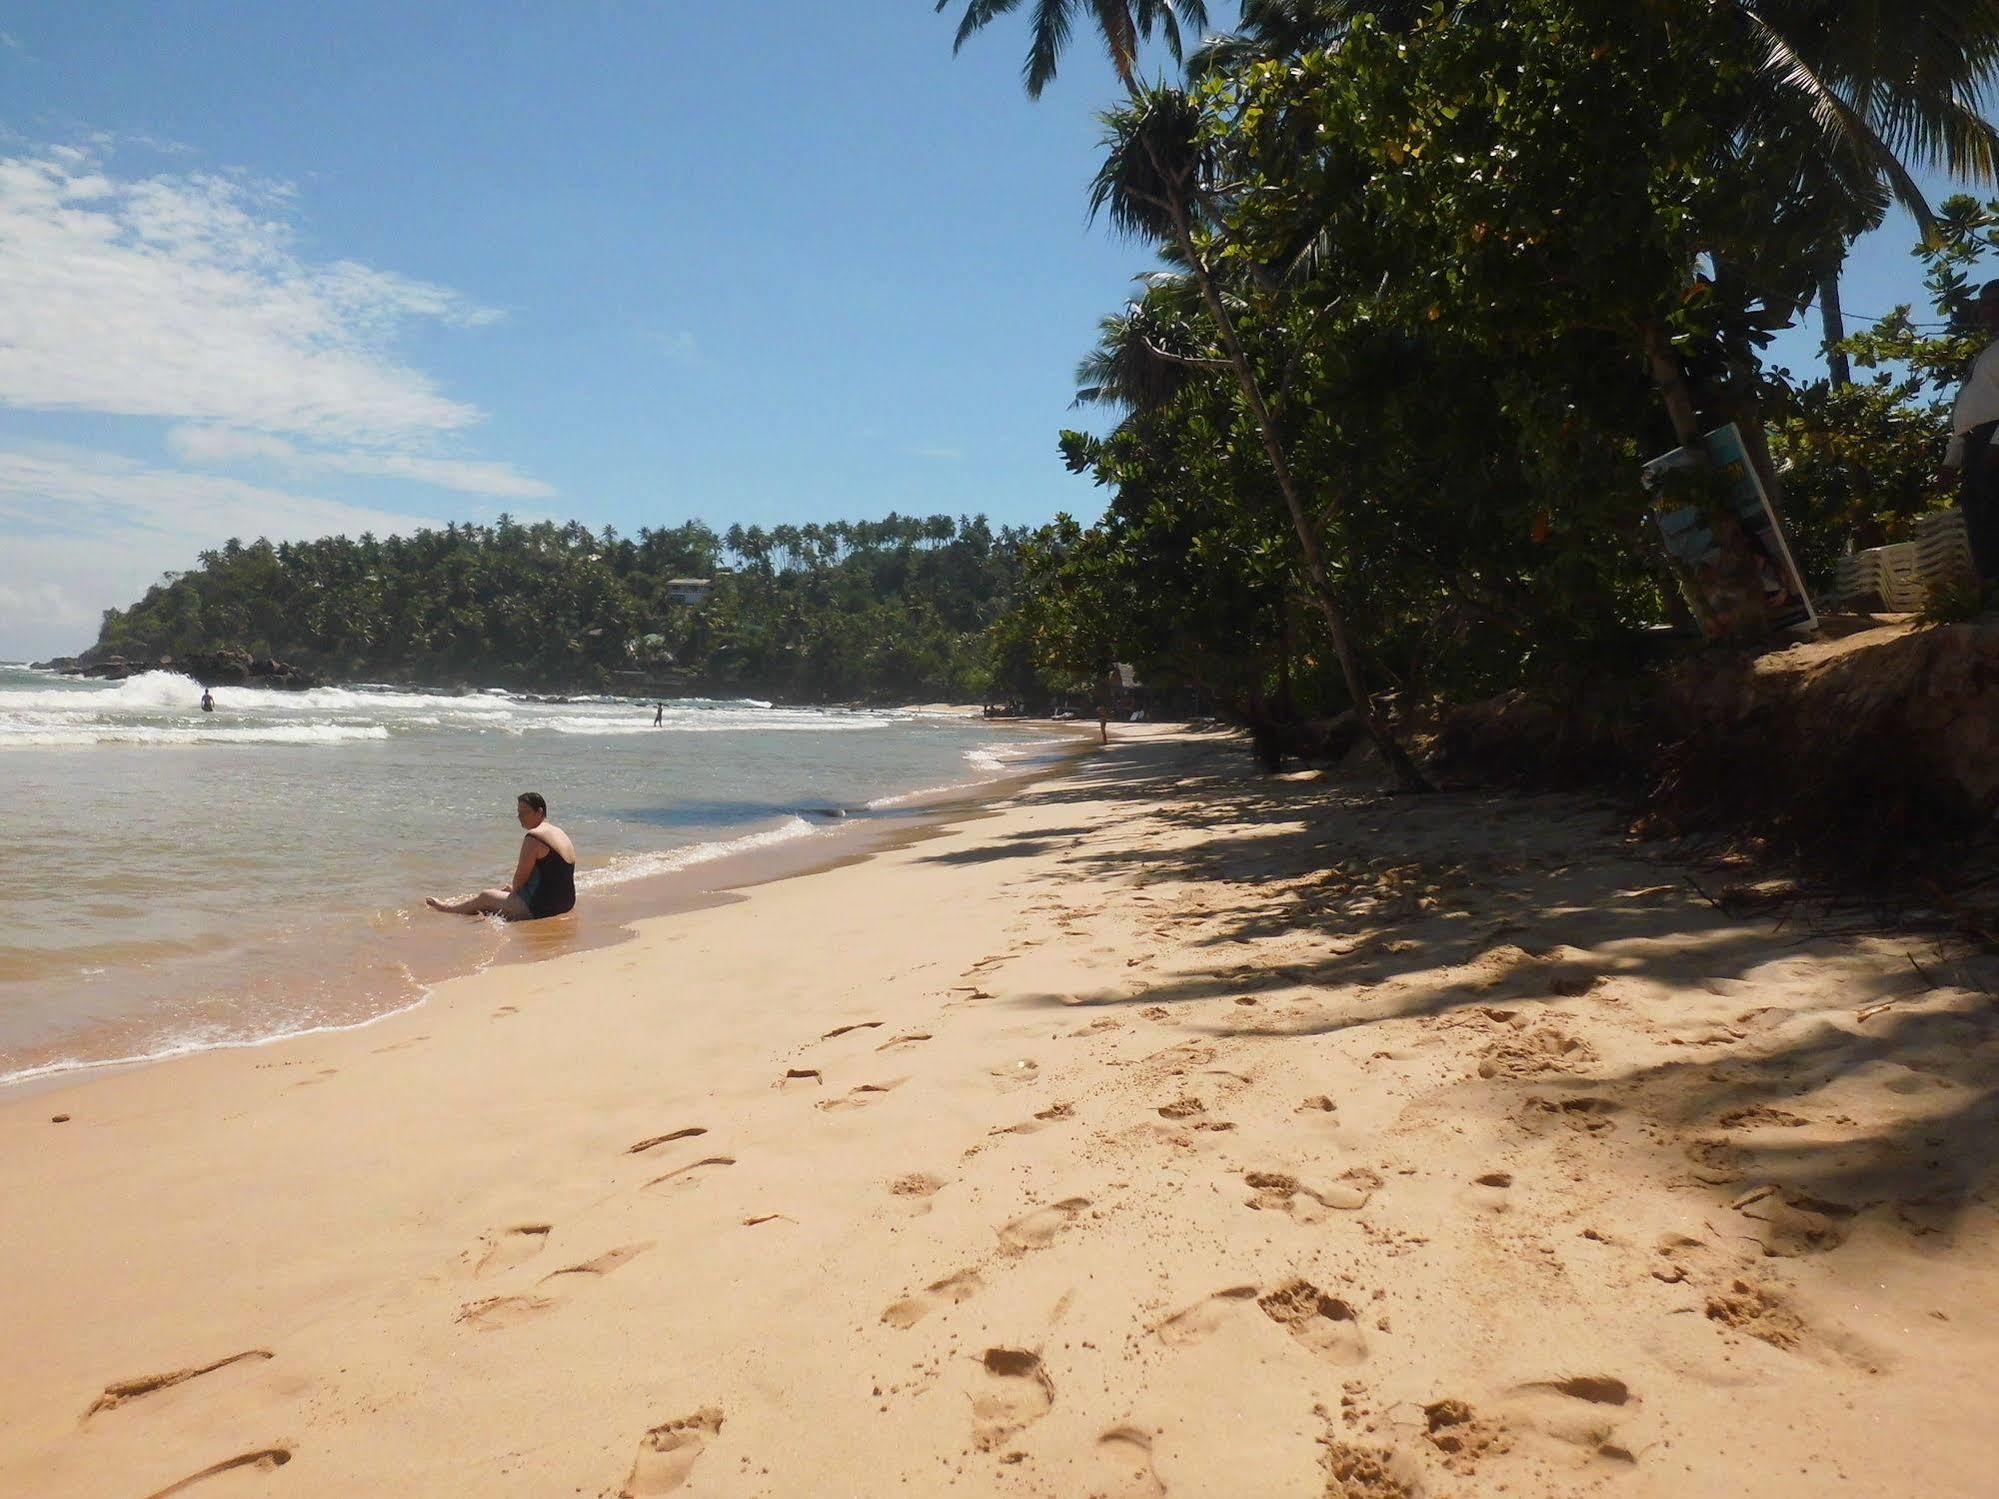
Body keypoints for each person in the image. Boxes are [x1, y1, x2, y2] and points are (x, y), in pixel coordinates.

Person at [426, 791, 577, 921]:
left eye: (524, 812)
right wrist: (517, 891)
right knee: (500, 898)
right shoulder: (560, 833)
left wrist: (515, 892)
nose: (520, 817)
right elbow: (554, 875)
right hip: (567, 902)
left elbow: (520, 876)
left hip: (543, 908)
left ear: (540, 812)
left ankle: (447, 909)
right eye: (519, 813)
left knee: (485, 897)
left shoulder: (534, 837)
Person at [1939, 278, 1999, 587]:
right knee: (1979, 517)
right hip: (1974, 443)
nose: (1985, 310)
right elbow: (1965, 410)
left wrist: (1996, 444)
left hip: (1993, 440)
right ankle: (1990, 588)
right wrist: (1952, 458)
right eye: (1983, 304)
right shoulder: (1985, 355)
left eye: (1991, 303)